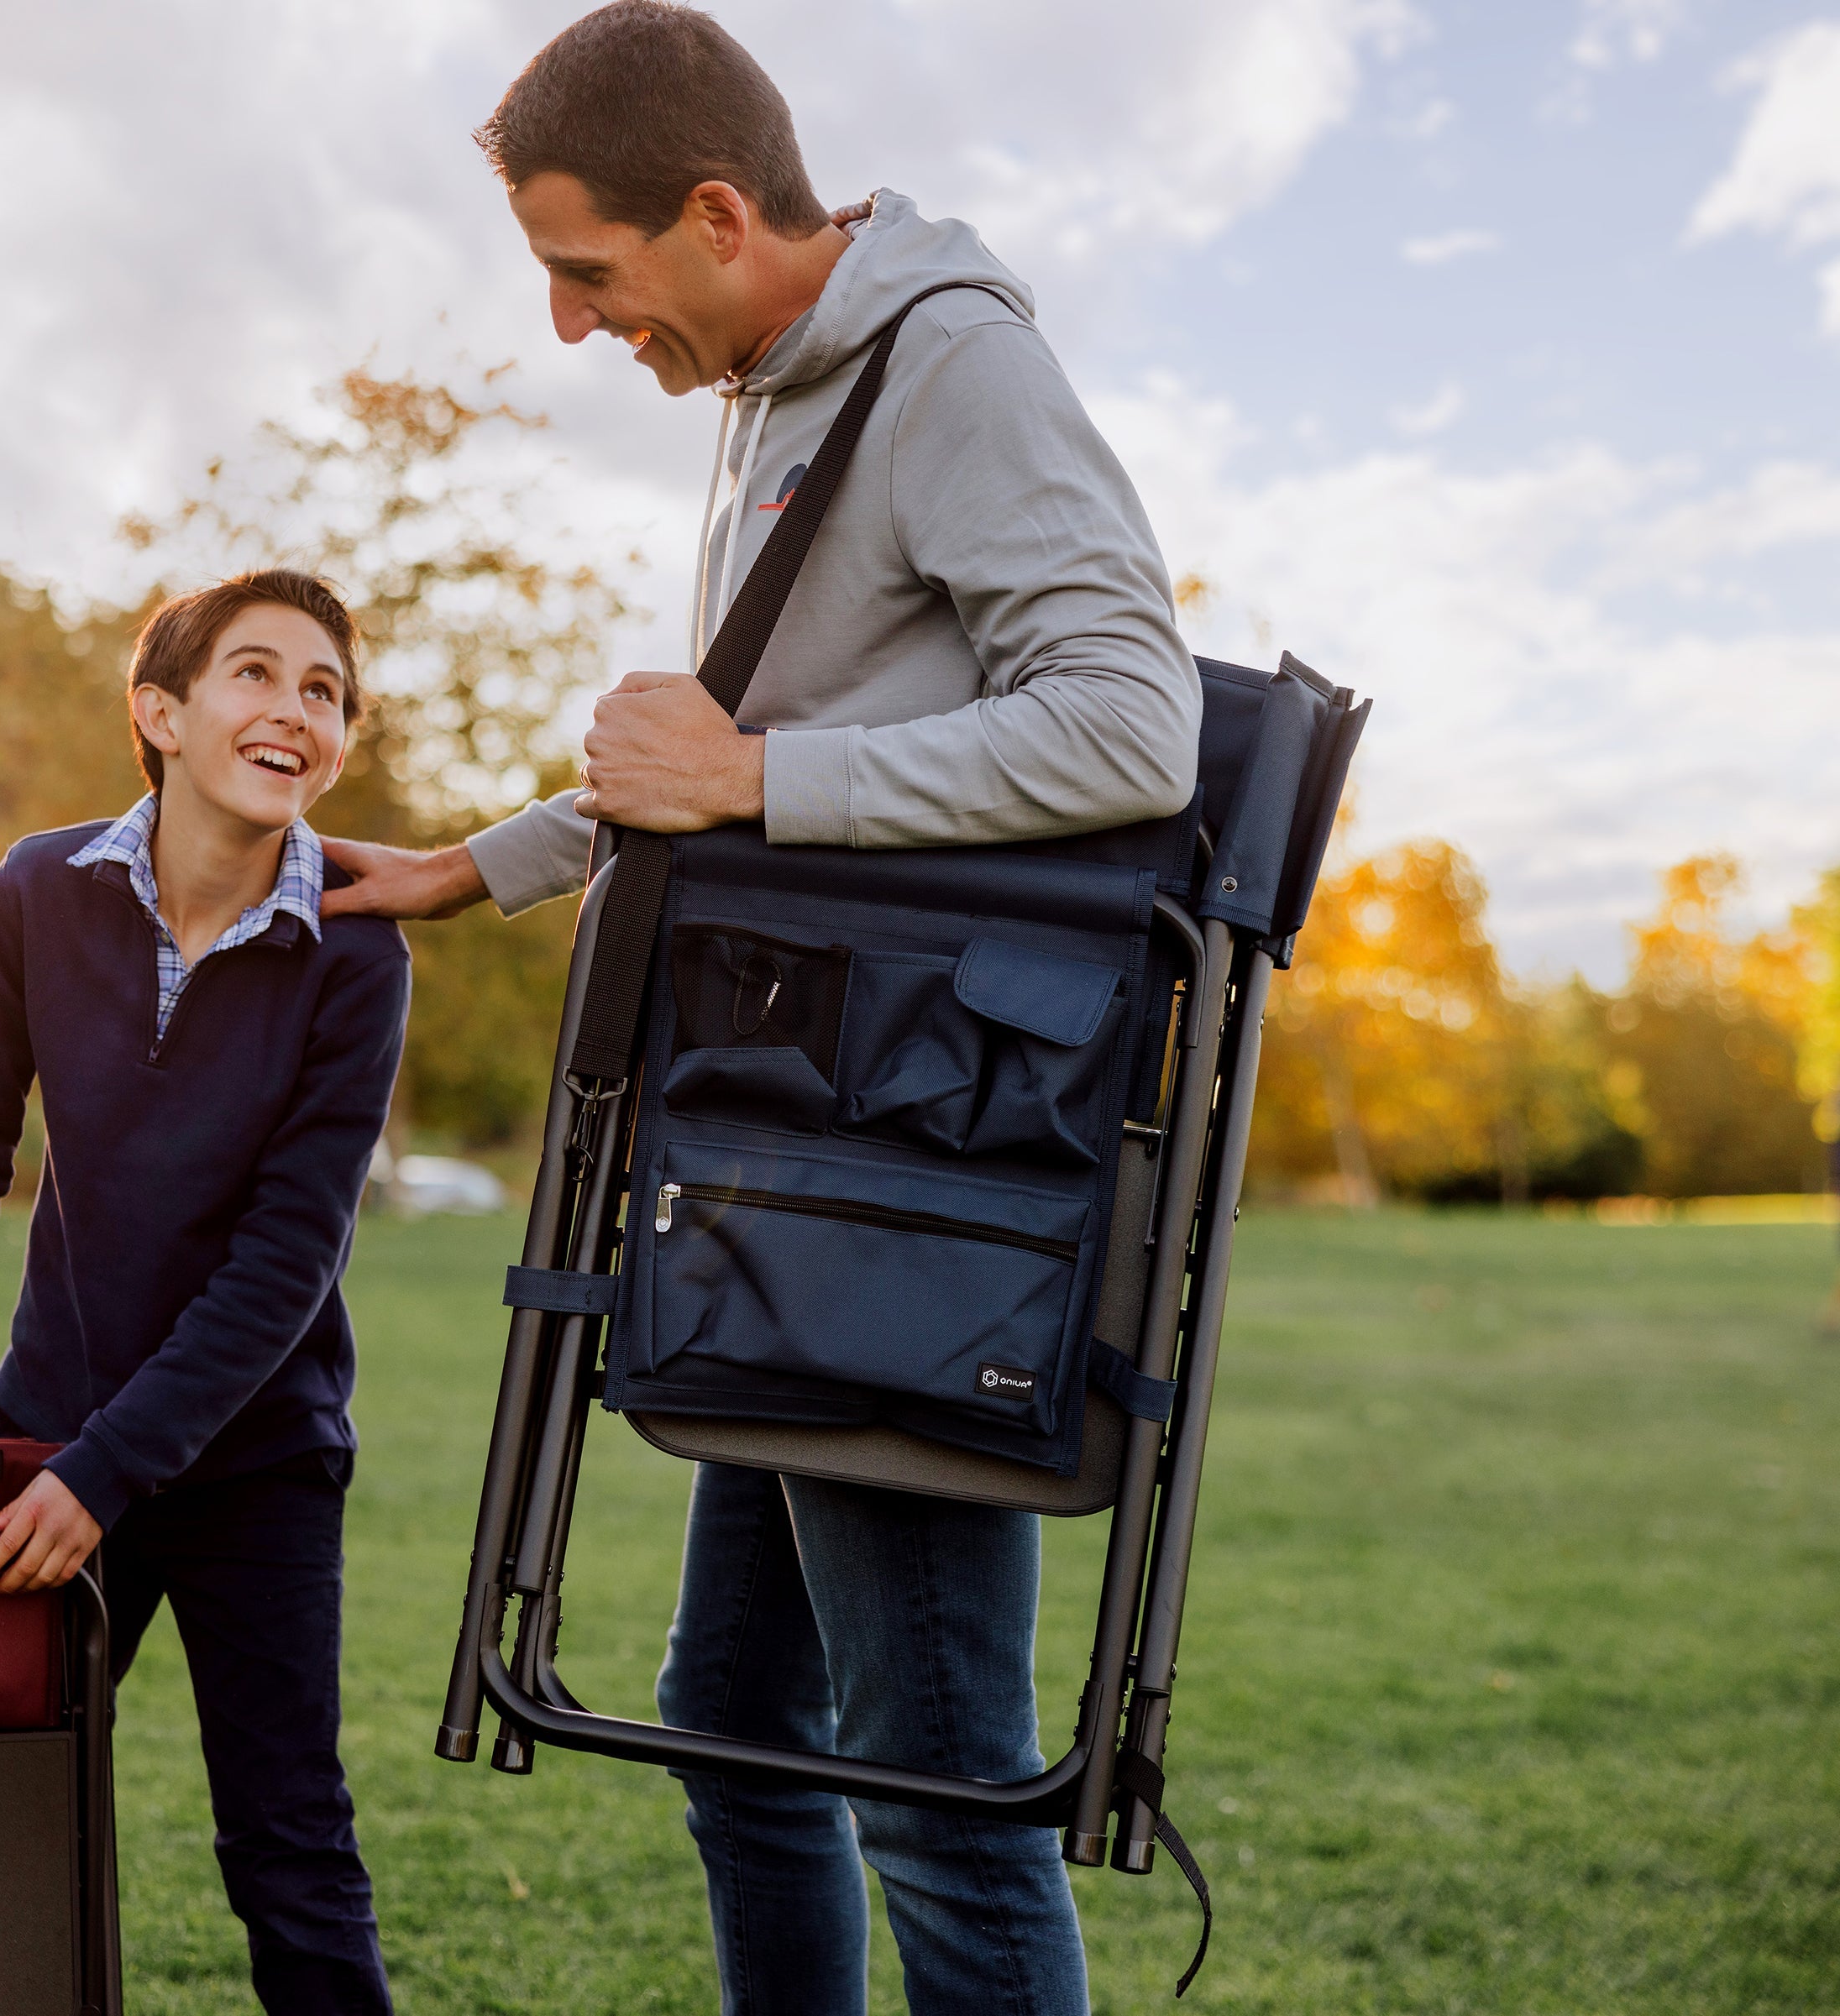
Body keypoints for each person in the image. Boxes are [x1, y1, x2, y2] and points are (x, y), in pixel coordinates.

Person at [322, 8, 1201, 2013]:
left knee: (934, 1781)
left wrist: (754, 786)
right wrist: (484, 862)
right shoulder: (778, 379)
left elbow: (1133, 724)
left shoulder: (951, 365)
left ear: (717, 214)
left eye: (587, 271)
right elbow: (762, 729)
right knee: (731, 1705)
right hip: (799, 1150)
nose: (564, 324)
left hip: (905, 1178)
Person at [0, 569, 411, 2016]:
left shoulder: (358, 949)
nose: (295, 707)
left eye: (325, 691)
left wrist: (110, 1471)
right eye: (257, 673)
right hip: (48, 1438)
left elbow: (289, 1258)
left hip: (257, 1464)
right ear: (158, 713)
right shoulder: (41, 889)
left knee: (290, 1848)